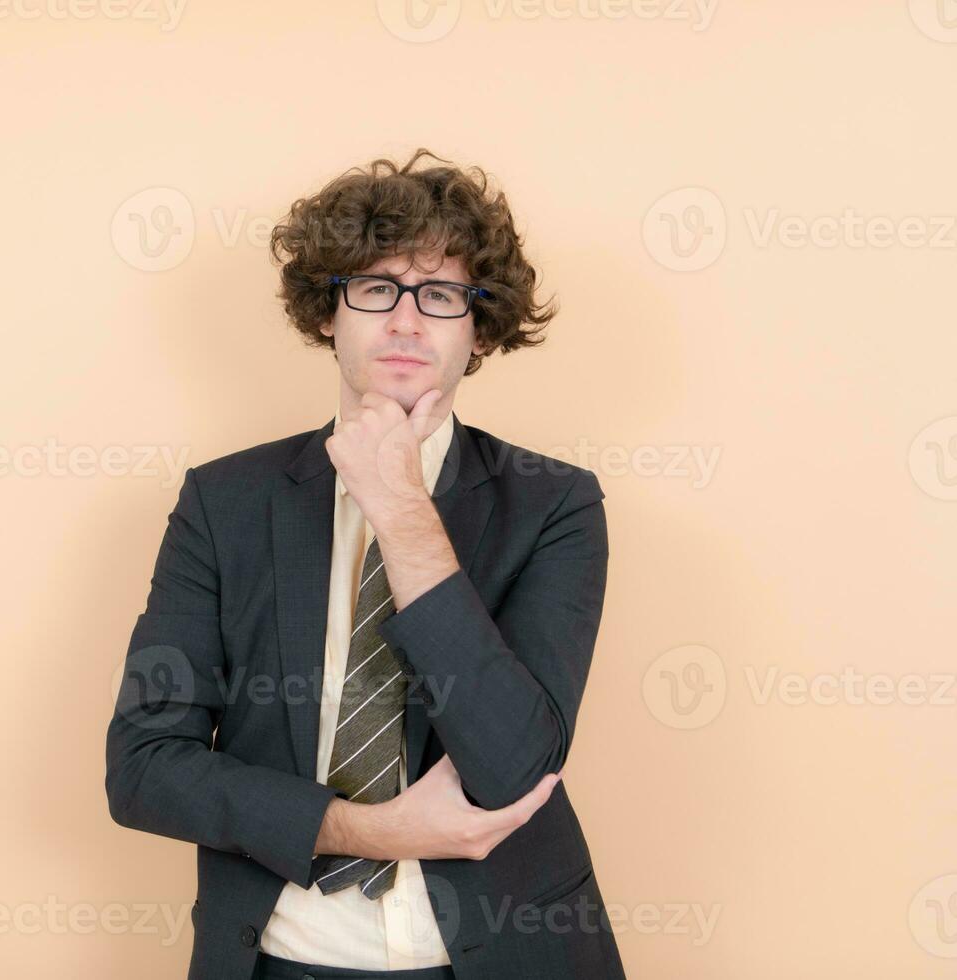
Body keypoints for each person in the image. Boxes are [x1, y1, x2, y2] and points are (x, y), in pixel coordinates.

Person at [106, 148, 625, 979]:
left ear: (477, 326)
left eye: (442, 294)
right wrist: (365, 832)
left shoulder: (555, 506)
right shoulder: (224, 501)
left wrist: (400, 507)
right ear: (327, 313)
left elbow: (513, 767)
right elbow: (144, 770)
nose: (407, 320)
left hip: (506, 958)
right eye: (376, 288)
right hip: (277, 959)